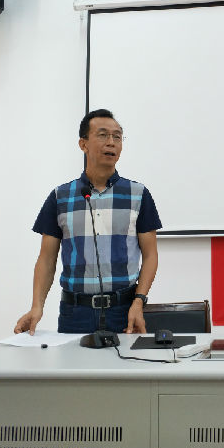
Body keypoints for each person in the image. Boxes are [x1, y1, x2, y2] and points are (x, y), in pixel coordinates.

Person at [14, 109, 161, 335]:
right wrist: (37, 306)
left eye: (117, 136)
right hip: (75, 313)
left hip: (123, 310)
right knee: (73, 361)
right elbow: (46, 258)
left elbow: (150, 255)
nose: (111, 142)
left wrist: (139, 301)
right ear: (83, 144)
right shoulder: (60, 197)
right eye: (103, 135)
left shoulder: (138, 194)